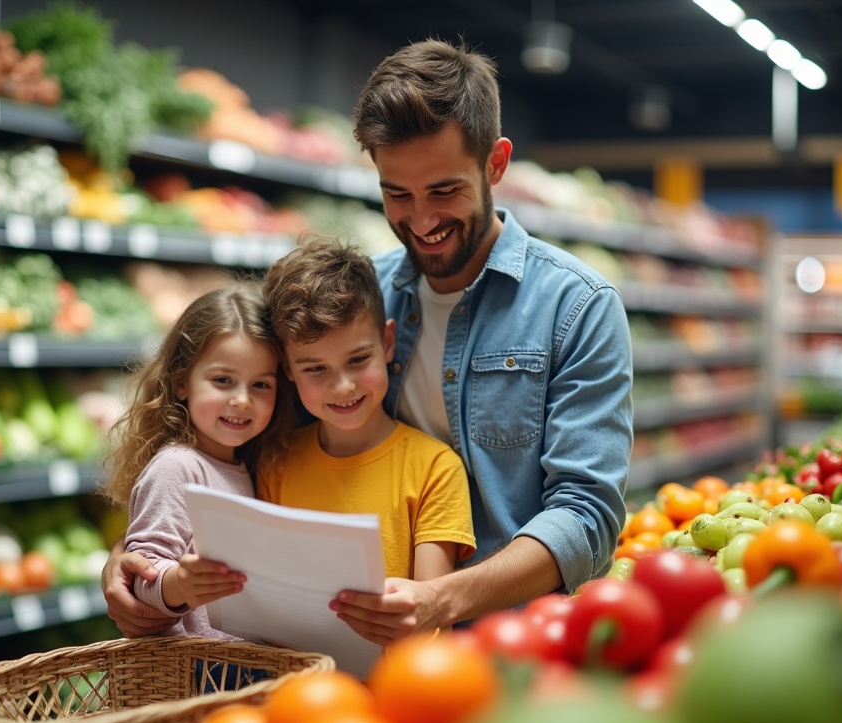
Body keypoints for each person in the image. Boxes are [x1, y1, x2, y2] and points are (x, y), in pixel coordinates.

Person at [102, 38, 633, 644]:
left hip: (520, 641)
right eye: (396, 194)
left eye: (444, 190)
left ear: (495, 164)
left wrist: (443, 598)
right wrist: (137, 559)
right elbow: (240, 440)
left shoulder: (577, 307)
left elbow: (588, 517)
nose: (422, 220)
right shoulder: (354, 301)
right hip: (342, 653)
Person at [256, 234, 475, 618]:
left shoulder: (435, 470)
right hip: (290, 676)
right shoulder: (276, 463)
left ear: (388, 341)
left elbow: (427, 621)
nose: (342, 386)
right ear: (287, 368)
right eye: (315, 368)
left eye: (358, 359)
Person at [102, 283, 292, 638]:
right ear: (181, 383)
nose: (242, 400)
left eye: (261, 385)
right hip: (197, 672)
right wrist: (180, 585)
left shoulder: (244, 466)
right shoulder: (177, 467)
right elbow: (141, 572)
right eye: (223, 380)